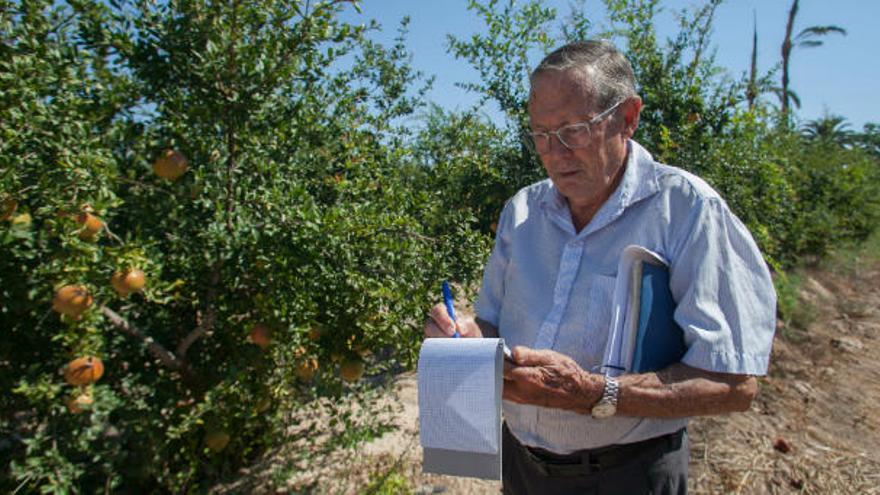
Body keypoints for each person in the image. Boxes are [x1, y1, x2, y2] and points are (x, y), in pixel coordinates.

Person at [423, 40, 776, 495]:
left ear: (627, 118)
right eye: (541, 134)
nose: (556, 152)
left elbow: (734, 384)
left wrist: (595, 394)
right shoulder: (523, 211)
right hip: (522, 468)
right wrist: (467, 338)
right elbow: (491, 324)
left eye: (575, 129)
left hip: (628, 476)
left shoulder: (687, 210)